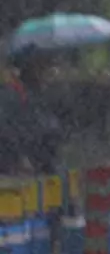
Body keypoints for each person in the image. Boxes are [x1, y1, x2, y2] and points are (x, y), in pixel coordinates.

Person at [0, 47, 63, 176]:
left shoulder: (34, 93)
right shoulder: (10, 93)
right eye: (42, 66)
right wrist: (20, 157)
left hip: (39, 159)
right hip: (16, 163)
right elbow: (7, 129)